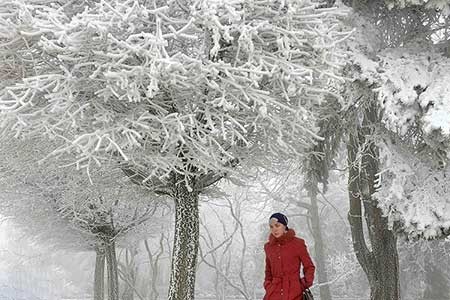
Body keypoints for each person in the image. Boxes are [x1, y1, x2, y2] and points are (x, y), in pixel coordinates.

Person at [263, 212, 315, 300]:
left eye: (277, 225)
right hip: (273, 293)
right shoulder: (269, 247)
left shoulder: (298, 244)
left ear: (284, 226)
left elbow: (309, 266)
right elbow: (268, 270)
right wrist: (268, 284)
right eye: (271, 227)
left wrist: (303, 284)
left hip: (295, 293)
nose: (274, 229)